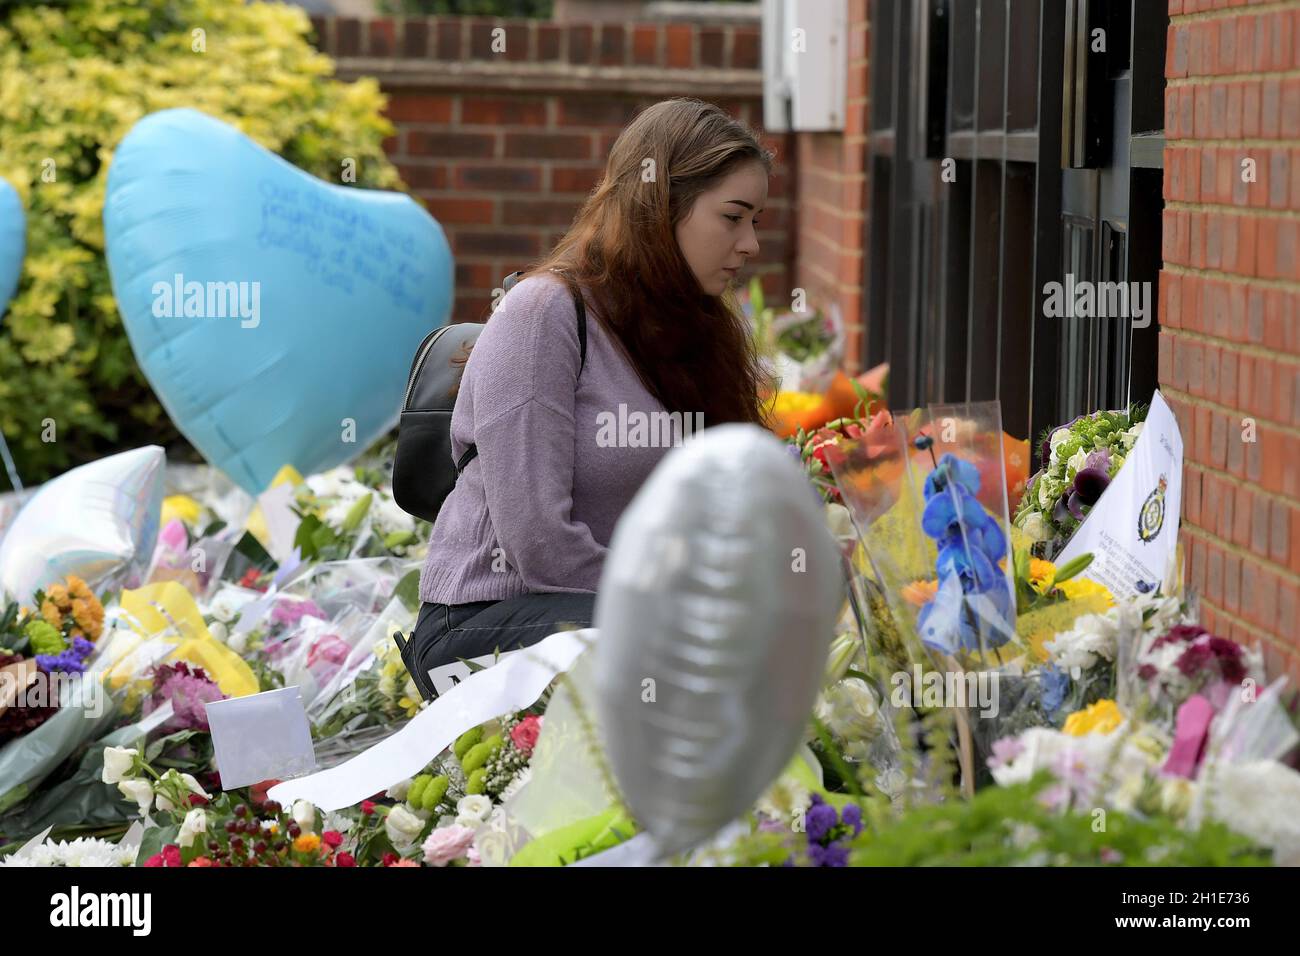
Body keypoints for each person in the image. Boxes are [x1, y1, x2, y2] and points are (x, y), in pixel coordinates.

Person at [400, 97, 773, 699]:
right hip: (484, 629)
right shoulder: (544, 314)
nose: (751, 242)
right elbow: (540, 547)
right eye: (733, 217)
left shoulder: (694, 336)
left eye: (757, 219)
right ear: (661, 207)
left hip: (619, 618)